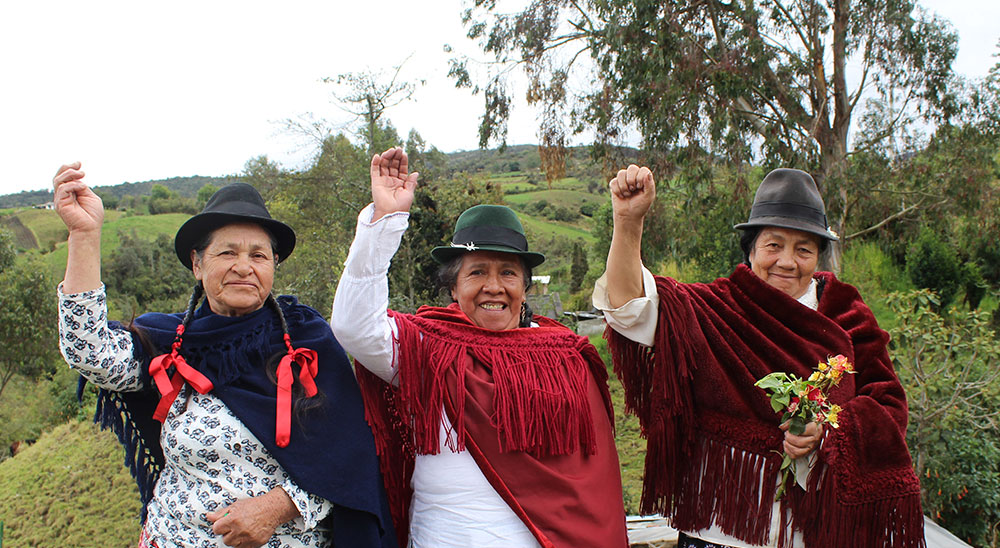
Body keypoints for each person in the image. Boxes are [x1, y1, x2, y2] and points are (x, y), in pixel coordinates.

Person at [53, 162, 395, 548]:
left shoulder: (305, 343)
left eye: (259, 256)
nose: (244, 267)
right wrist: (84, 234)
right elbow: (90, 353)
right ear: (198, 265)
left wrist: (278, 507)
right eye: (227, 252)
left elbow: (350, 459)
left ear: (273, 267)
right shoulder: (170, 343)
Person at [594, 166, 923, 548]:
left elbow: (888, 404)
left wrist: (829, 432)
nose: (787, 261)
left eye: (804, 249)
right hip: (717, 533)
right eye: (773, 245)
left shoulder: (847, 314)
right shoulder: (713, 310)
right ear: (750, 250)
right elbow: (629, 307)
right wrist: (628, 221)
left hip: (812, 534)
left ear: (819, 258)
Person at [330, 147, 628, 548]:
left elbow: (591, 481)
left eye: (508, 272)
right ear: (454, 288)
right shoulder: (424, 347)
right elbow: (353, 326)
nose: (494, 286)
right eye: (477, 273)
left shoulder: (565, 356)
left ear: (524, 288)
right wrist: (384, 221)